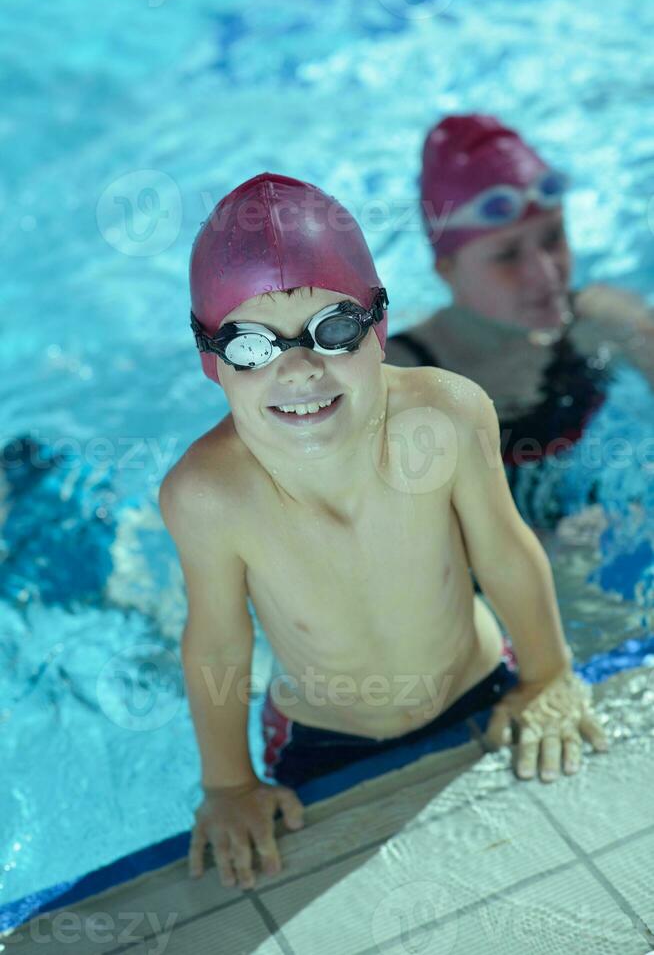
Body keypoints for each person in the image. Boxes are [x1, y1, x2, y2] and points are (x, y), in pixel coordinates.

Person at [158, 172, 609, 892]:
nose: (298, 369)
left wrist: (549, 675)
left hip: (482, 683)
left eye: (333, 330)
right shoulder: (209, 494)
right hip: (323, 739)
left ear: (379, 327)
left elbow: (503, 548)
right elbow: (217, 639)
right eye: (250, 347)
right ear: (212, 360)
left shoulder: (448, 416)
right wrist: (229, 785)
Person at [383, 114, 654, 529]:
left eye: (553, 238)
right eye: (507, 256)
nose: (546, 274)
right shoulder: (401, 378)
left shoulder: (601, 319)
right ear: (446, 269)